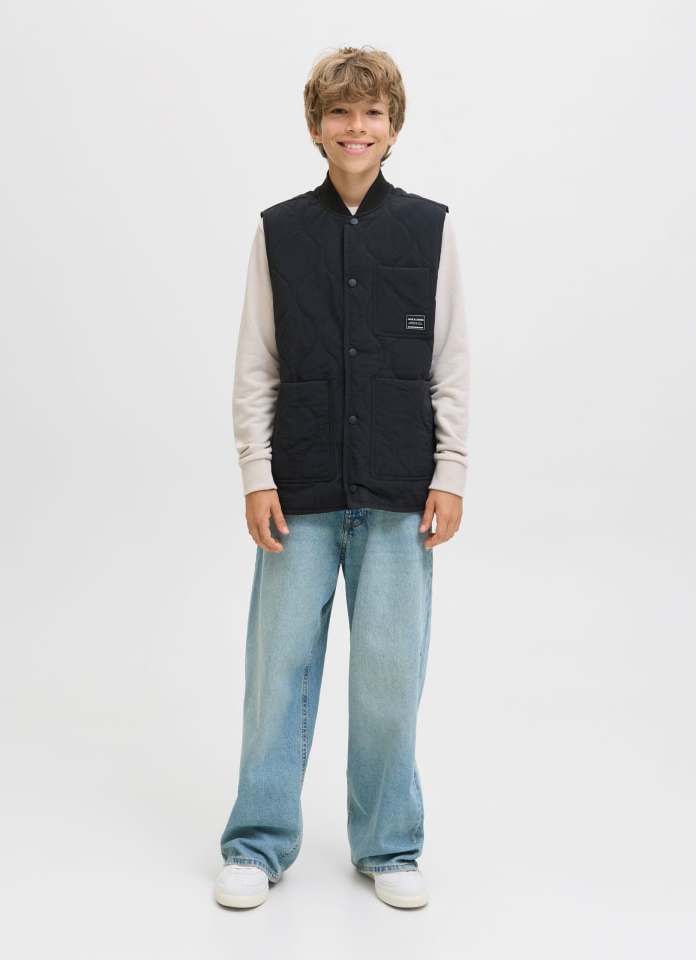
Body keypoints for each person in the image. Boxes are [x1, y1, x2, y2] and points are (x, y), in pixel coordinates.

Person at [215, 45, 469, 910]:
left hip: (401, 494)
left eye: (371, 113)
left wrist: (451, 471)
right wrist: (256, 472)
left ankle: (389, 846)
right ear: (316, 127)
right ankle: (257, 842)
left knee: (391, 676)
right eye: (339, 113)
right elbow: (256, 362)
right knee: (277, 673)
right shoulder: (278, 231)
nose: (355, 127)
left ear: (392, 128)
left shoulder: (431, 229)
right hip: (301, 490)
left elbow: (449, 362)